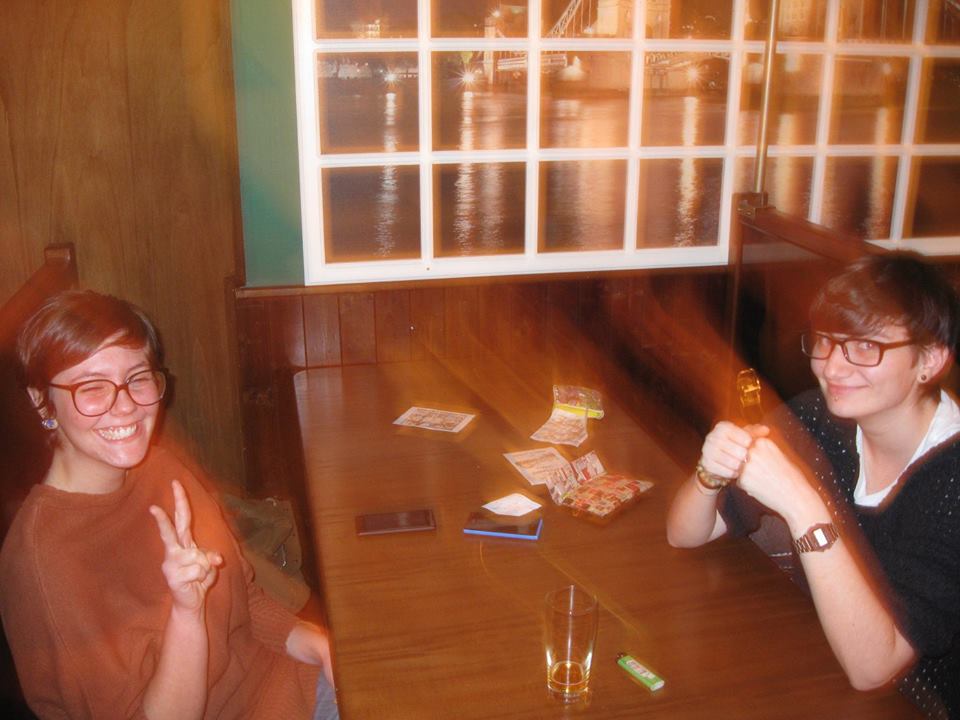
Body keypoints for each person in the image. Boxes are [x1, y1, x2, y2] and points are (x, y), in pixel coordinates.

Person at [0, 290, 339, 720]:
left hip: (286, 682)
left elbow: (244, 595)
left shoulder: (160, 466)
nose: (126, 406)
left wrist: (319, 644)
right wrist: (186, 612)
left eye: (137, 378)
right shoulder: (43, 563)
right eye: (92, 387)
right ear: (41, 400)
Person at [666, 252, 960, 719]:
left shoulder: (950, 485)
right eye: (826, 341)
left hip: (913, 702)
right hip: (812, 660)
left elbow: (874, 670)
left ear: (930, 359)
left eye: (865, 347)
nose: (832, 368)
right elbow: (684, 534)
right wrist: (709, 475)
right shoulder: (818, 419)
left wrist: (802, 503)